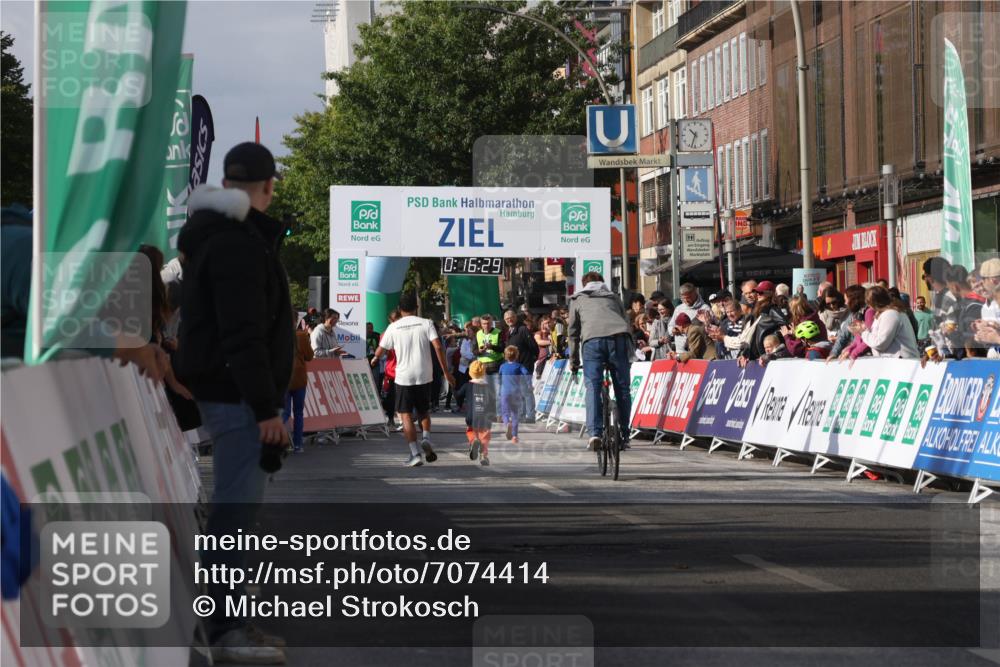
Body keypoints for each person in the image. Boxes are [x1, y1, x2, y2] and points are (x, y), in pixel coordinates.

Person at [174, 142, 292, 663]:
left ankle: (227, 623)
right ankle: (227, 632)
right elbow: (243, 334)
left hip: (228, 390)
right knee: (235, 516)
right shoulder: (239, 245)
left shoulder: (217, 239)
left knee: (234, 514)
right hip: (239, 395)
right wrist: (266, 408)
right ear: (269, 187)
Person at [370, 293, 455, 467]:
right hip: (425, 374)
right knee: (424, 411)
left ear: (400, 310)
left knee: (406, 414)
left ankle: (415, 454)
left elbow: (380, 351)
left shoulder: (393, 327)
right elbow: (438, 346)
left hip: (403, 377)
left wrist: (374, 359)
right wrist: (446, 372)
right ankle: (426, 438)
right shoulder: (427, 323)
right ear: (416, 307)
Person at [567, 271, 632, 453]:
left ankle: (594, 434)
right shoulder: (613, 297)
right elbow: (626, 322)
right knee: (623, 388)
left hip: (592, 342)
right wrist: (630, 354)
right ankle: (625, 434)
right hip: (618, 339)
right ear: (602, 283)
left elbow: (573, 332)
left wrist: (573, 361)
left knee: (593, 387)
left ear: (584, 284)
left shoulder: (577, 299)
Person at [851, 285, 919, 359]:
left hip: (901, 363)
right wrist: (865, 329)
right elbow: (877, 338)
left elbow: (880, 344)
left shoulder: (890, 314)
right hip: (895, 362)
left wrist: (863, 332)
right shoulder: (885, 313)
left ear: (873, 303)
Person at [456, 360, 496, 466]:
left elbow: (458, 395)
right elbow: (493, 402)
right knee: (485, 436)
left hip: (471, 416)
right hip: (485, 417)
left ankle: (473, 440)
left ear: (470, 372)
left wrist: (454, 388)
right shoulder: (489, 387)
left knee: (471, 431)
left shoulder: (467, 386)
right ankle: (483, 455)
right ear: (483, 373)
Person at [284, 313, 314, 453]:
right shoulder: (301, 336)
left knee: (283, 413)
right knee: (298, 413)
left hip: (282, 379)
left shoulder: (275, 336)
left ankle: (280, 443)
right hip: (299, 379)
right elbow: (309, 356)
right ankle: (297, 445)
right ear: (296, 321)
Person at [498, 345, 530, 444]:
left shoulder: (502, 366)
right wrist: (529, 385)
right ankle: (515, 436)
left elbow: (499, 379)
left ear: (505, 356)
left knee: (505, 412)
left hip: (505, 392)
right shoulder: (519, 366)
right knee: (515, 414)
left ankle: (507, 423)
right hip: (516, 392)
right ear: (516, 356)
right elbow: (526, 374)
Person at [668, 283, 711, 352]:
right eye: (683, 298)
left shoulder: (705, 308)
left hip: (697, 350)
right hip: (680, 350)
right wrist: (673, 330)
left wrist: (706, 324)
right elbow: (670, 326)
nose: (686, 300)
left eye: (688, 297)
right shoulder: (679, 308)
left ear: (694, 294)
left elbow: (711, 328)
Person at [474, 313, 504, 403]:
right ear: (481, 324)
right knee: (484, 392)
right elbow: (474, 350)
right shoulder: (478, 334)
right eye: (484, 324)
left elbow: (503, 348)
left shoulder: (498, 332)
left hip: (495, 366)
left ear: (491, 323)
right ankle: (487, 412)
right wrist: (479, 351)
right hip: (482, 368)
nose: (486, 326)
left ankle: (498, 414)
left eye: (488, 323)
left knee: (497, 392)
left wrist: (492, 347)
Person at [455, 321, 478, 409]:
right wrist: (472, 356)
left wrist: (472, 355)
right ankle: (459, 405)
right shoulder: (464, 340)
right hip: (464, 367)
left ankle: (471, 404)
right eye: (467, 331)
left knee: (473, 387)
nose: (468, 332)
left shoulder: (477, 340)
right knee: (462, 386)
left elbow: (477, 352)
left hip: (474, 368)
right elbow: (463, 352)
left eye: (470, 331)